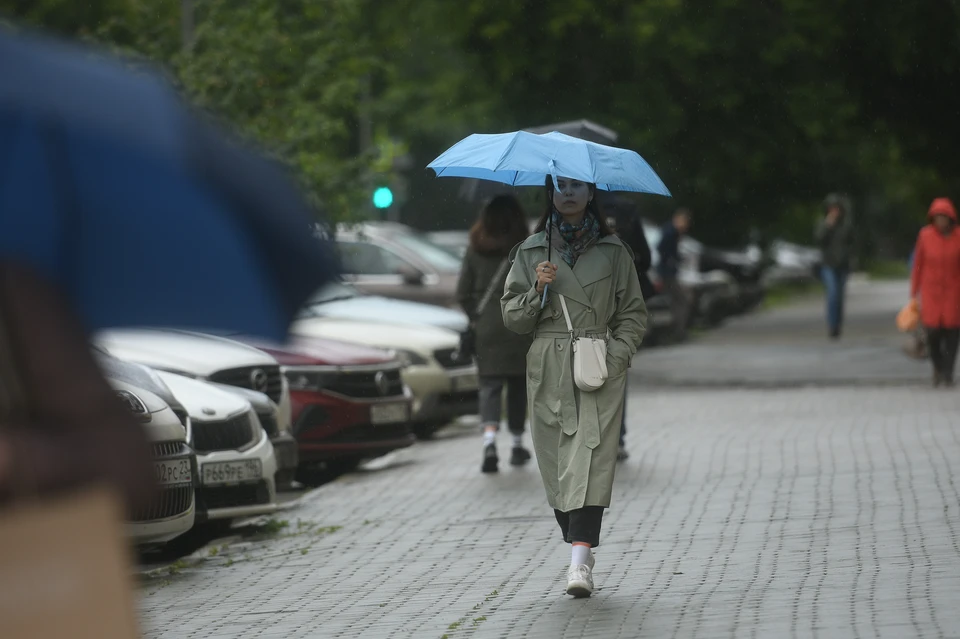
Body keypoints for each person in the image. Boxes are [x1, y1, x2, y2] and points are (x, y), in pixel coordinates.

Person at [501, 176, 647, 598]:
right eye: (560, 186)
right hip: (547, 365)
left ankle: (579, 563)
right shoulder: (531, 252)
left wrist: (615, 357)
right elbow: (513, 318)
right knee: (557, 464)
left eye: (577, 186)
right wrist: (537, 289)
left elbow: (633, 313)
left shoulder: (614, 251)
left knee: (592, 457)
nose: (568, 193)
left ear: (591, 194)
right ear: (550, 193)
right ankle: (576, 540)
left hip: (595, 364)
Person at [457, 195, 533, 472]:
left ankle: (489, 442)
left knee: (489, 387)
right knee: (517, 387)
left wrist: (477, 315)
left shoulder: (475, 248)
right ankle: (516, 444)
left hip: (487, 328)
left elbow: (462, 292)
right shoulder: (524, 248)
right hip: (517, 327)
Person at [603, 198, 655, 462]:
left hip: (586, 309)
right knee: (616, 371)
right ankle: (617, 437)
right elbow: (645, 258)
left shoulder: (567, 216)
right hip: (620, 307)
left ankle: (594, 437)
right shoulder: (625, 211)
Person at [910, 198, 960, 387]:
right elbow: (918, 265)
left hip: (954, 292)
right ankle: (938, 367)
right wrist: (914, 292)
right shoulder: (925, 236)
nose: (940, 221)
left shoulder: (958, 237)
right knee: (932, 333)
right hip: (931, 291)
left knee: (952, 334)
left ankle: (948, 373)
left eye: (944, 217)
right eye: (937, 217)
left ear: (950, 218)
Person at [816, 194, 856, 339]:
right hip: (828, 264)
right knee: (832, 294)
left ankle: (838, 324)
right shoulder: (824, 223)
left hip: (842, 265)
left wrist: (852, 262)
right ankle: (832, 326)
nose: (834, 212)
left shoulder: (846, 225)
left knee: (839, 297)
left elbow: (852, 244)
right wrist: (828, 226)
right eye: (832, 209)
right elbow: (819, 239)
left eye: (837, 208)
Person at [657, 208, 692, 340]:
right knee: (680, 301)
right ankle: (677, 331)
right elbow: (661, 248)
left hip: (668, 272)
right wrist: (671, 260)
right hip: (668, 273)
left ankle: (677, 330)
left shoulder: (672, 232)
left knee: (677, 301)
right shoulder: (670, 231)